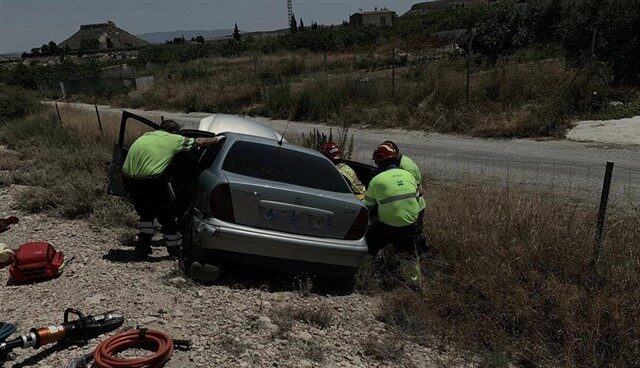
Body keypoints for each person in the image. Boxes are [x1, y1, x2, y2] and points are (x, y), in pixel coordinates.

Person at [122, 119, 224, 256]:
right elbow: (199, 142)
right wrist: (217, 139)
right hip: (151, 182)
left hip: (129, 180)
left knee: (146, 214)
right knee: (166, 216)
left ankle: (142, 246)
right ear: (175, 132)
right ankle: (173, 249)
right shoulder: (174, 139)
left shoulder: (146, 136)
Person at [363, 143, 427, 257]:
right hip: (411, 224)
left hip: (388, 226)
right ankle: (412, 273)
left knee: (368, 244)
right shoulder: (408, 175)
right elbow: (417, 195)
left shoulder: (376, 181)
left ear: (378, 162)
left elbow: (367, 207)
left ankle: (367, 268)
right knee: (409, 255)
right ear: (395, 158)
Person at [382, 140, 426, 230]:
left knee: (415, 236)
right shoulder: (397, 162)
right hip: (408, 207)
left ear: (396, 154)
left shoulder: (405, 167)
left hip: (415, 208)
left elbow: (418, 191)